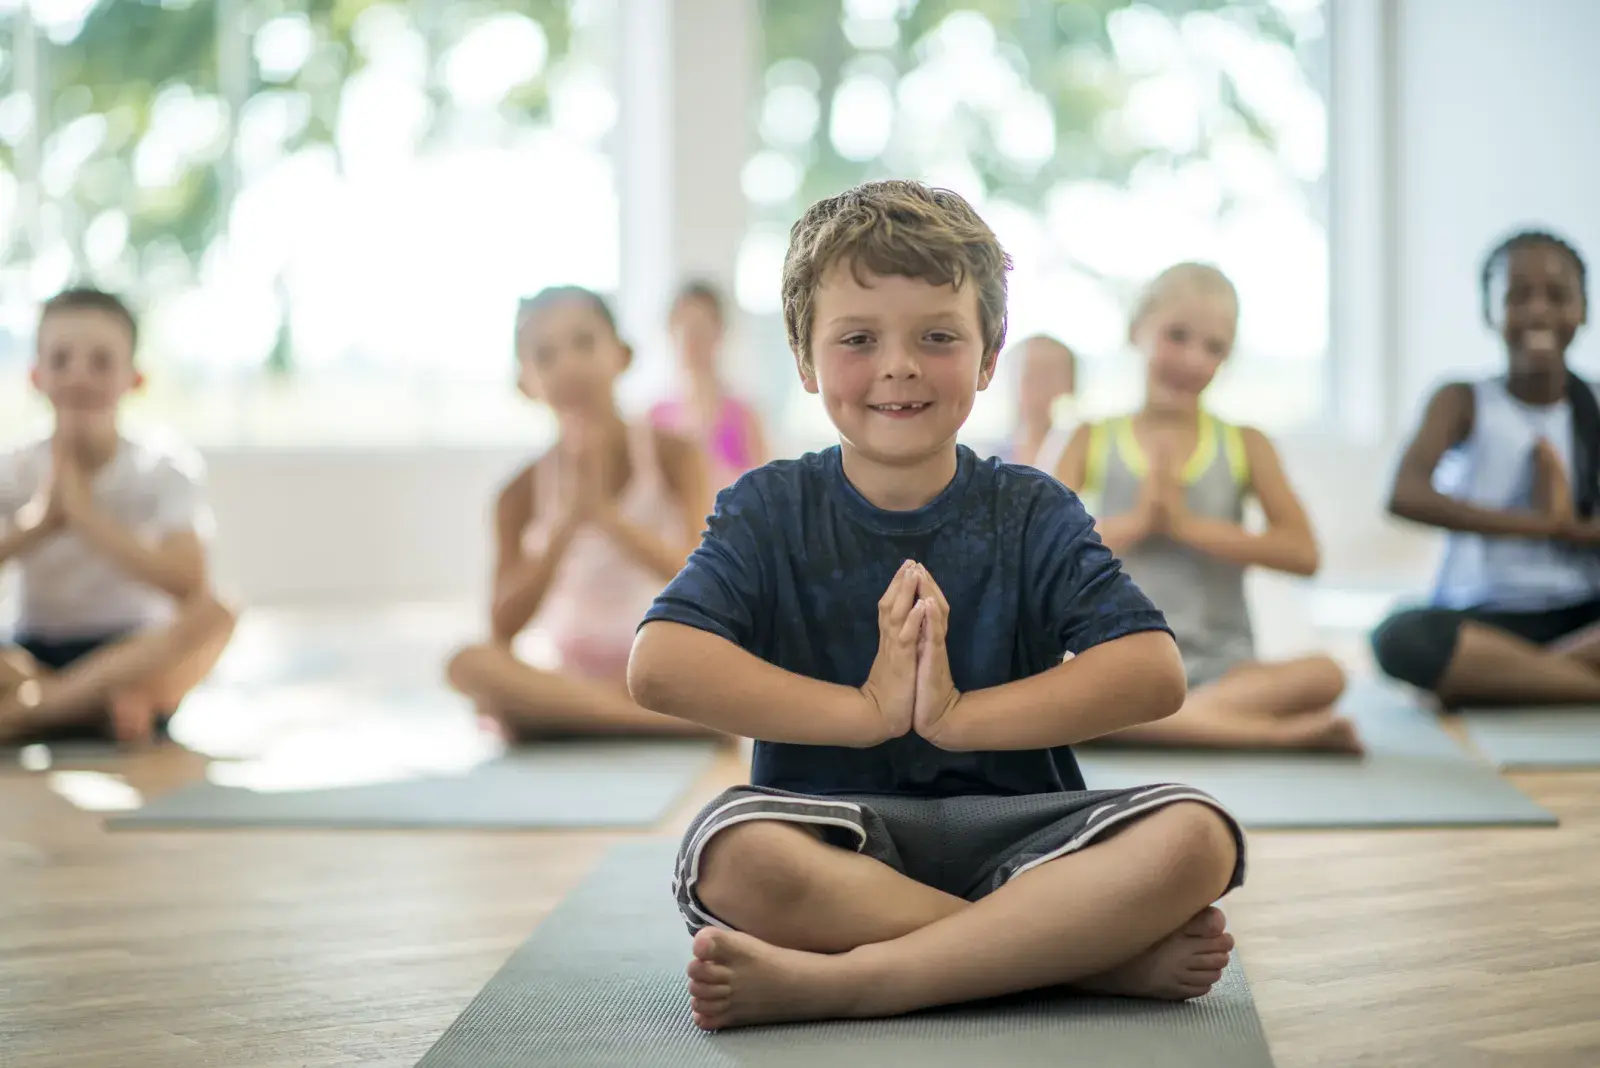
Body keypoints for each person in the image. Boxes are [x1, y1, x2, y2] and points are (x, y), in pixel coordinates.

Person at [627, 181, 1244, 1032]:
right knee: (730, 850)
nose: (899, 365)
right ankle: (1072, 960)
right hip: (833, 840)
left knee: (1198, 835)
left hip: (1028, 840)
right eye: (857, 338)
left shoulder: (1035, 508)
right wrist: (868, 712)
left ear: (989, 356)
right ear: (804, 361)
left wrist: (955, 718)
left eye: (938, 337)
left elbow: (1152, 675)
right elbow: (658, 667)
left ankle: (854, 981)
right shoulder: (766, 508)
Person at [1052, 263, 1358, 752]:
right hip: (1119, 660)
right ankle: (1268, 737)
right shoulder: (1088, 437)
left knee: (1327, 676)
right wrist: (1136, 524)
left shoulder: (1246, 443)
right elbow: (1037, 553)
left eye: (1214, 347)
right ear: (1137, 329)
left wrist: (1187, 526)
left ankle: (1157, 726)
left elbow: (1304, 554)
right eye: (1177, 336)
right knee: (1042, 674)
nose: (1193, 359)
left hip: (1224, 669)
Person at [445, 286, 717, 738]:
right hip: (573, 678)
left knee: (720, 663)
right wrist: (568, 523)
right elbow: (500, 628)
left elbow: (705, 589)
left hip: (660, 663)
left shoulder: (674, 455)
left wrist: (607, 518)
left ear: (622, 355)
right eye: (546, 355)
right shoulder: (519, 492)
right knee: (468, 665)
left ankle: (584, 718)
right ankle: (659, 727)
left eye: (584, 343)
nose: (568, 365)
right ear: (525, 384)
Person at [1371, 230, 1600, 707]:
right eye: (1518, 296)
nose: (1538, 311)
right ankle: (1570, 681)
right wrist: (1539, 525)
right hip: (1485, 618)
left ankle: (1510, 679)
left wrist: (1568, 529)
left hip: (1582, 615)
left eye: (1557, 296)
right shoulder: (1462, 400)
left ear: (1584, 309)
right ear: (1488, 310)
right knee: (1399, 637)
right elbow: (1405, 495)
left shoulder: (1593, 402)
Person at [0, 288, 237, 746]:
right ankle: (89, 709)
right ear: (36, 376)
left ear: (135, 379)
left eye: (101, 362)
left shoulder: (164, 465)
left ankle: (34, 712)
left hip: (131, 650)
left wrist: (88, 520)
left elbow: (191, 583)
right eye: (61, 359)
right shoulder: (12, 466)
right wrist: (39, 524)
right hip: (28, 653)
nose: (79, 376)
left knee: (218, 613)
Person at [649, 281, 769, 488]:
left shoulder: (744, 417)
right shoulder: (655, 417)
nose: (692, 340)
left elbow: (765, 491)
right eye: (685, 328)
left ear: (719, 332)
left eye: (700, 329)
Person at [1006, 333, 1077, 467]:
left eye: (1047, 378)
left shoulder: (1093, 463)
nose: (1038, 390)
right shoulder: (987, 462)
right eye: (1029, 377)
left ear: (1071, 386)